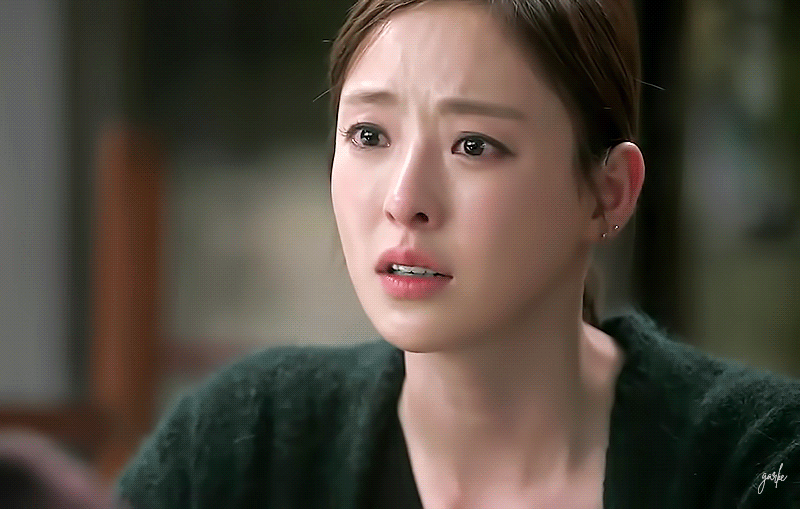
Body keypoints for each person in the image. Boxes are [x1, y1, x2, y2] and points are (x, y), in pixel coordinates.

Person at [115, 1, 800, 508]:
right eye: (369, 135)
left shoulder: (754, 461)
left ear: (607, 192)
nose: (405, 199)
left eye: (474, 145)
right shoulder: (246, 445)